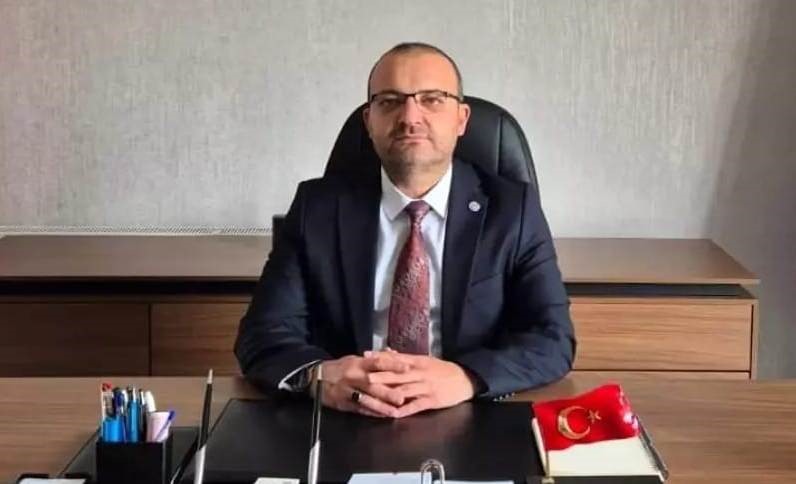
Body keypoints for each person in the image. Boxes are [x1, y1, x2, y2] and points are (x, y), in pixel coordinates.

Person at [235, 42, 575, 419]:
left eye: (432, 99)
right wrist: (321, 375)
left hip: (467, 413)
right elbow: (263, 334)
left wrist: (467, 378)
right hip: (348, 414)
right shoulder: (316, 208)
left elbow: (552, 339)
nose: (410, 117)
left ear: (461, 119)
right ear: (369, 121)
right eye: (390, 101)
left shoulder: (513, 210)